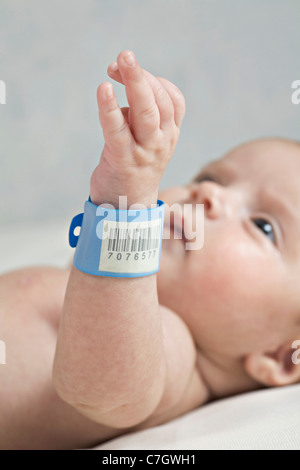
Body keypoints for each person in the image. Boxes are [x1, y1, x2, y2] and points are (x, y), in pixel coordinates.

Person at [1, 50, 300, 450]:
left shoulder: (174, 350)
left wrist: (126, 202)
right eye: (211, 177)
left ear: (281, 355)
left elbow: (101, 387)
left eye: (263, 225)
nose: (207, 194)